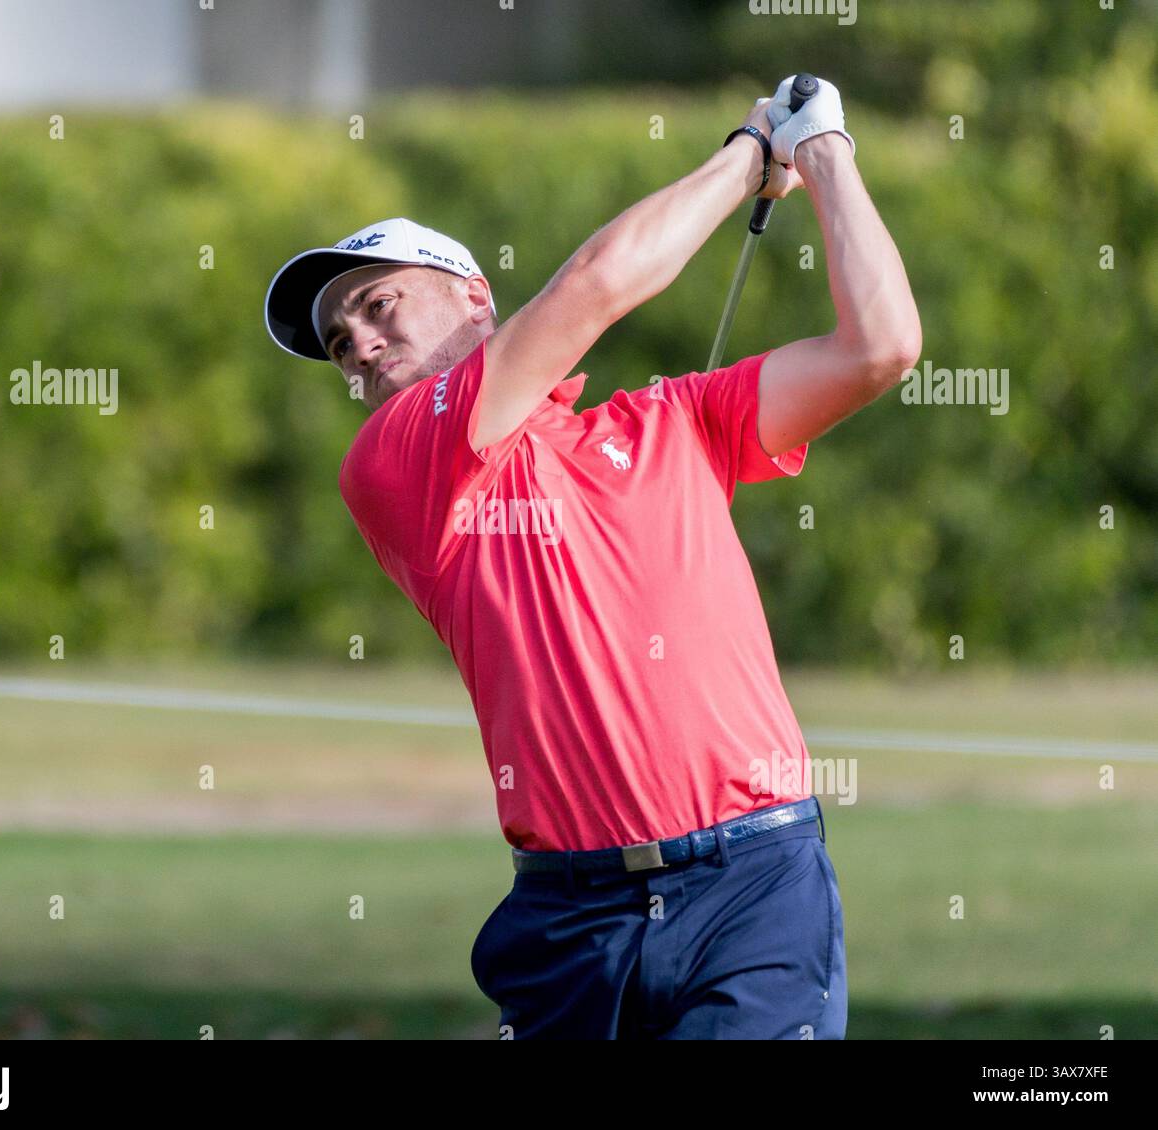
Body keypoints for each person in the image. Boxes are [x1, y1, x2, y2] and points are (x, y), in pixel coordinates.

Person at [264, 76, 921, 1039]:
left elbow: (882, 346)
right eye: (337, 341)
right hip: (570, 923)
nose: (356, 345)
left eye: (376, 304)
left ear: (473, 297)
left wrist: (823, 153)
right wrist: (750, 151)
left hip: (754, 887)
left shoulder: (671, 420)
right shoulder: (394, 463)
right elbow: (597, 286)